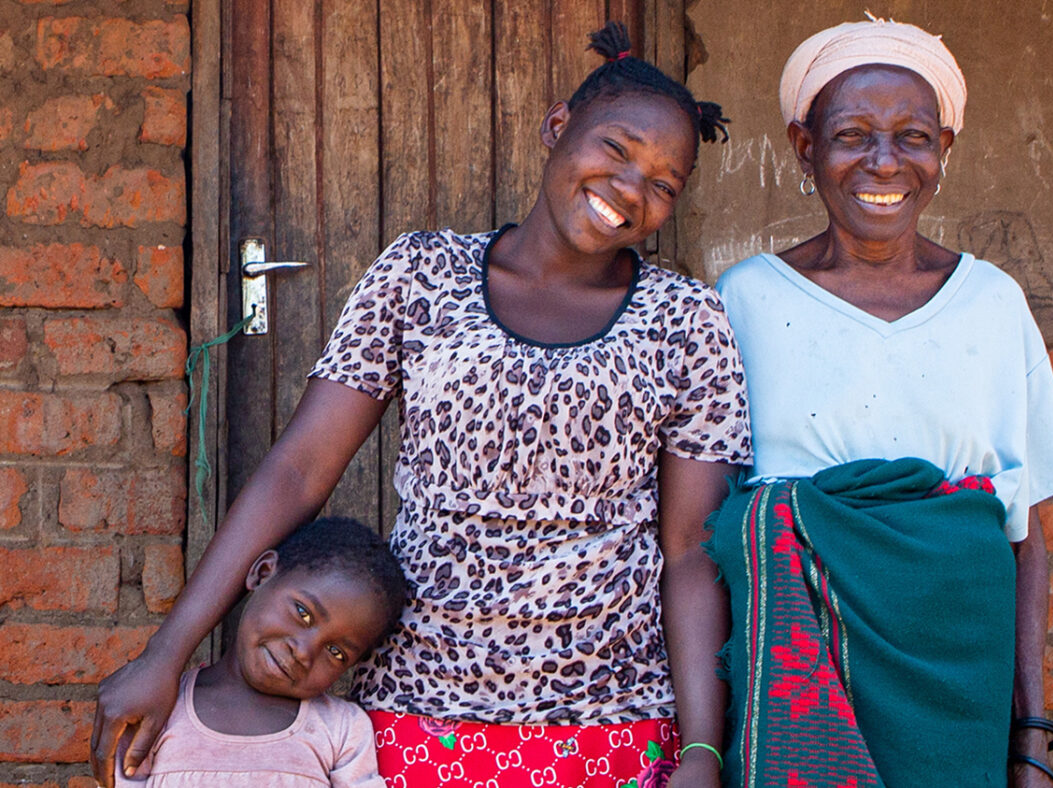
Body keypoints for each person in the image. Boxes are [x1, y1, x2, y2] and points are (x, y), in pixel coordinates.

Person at [91, 22, 750, 788]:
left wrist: (702, 748)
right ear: (557, 126)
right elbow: (299, 472)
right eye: (617, 149)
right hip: (417, 719)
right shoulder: (421, 273)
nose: (632, 188)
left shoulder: (688, 320)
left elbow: (690, 552)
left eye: (665, 183)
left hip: (612, 725)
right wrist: (165, 654)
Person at [708, 17, 1053, 788]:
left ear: (945, 149)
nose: (884, 161)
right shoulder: (742, 301)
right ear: (804, 147)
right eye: (853, 135)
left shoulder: (992, 303)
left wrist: (1031, 739)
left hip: (958, 681)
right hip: (795, 668)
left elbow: (1022, 531)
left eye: (913, 137)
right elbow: (705, 534)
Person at [115, 516, 407, 787]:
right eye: (303, 614)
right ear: (263, 573)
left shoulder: (340, 730)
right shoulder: (162, 709)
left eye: (335, 651)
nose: (303, 652)